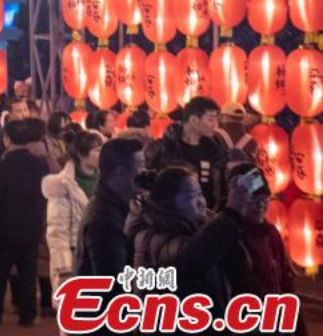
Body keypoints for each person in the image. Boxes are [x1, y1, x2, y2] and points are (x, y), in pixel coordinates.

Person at [129, 165, 254, 327]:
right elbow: (192, 256)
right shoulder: (150, 236)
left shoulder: (197, 226)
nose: (201, 202)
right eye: (191, 197)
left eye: (201, 194)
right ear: (167, 203)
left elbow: (240, 265)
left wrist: (228, 214)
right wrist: (230, 214)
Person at [0, 117, 49, 327]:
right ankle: (28, 315)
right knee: (28, 272)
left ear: (7, 139)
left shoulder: (2, 166)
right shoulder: (40, 164)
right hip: (32, 226)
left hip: (6, 228)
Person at [218, 163, 306, 335]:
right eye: (253, 198)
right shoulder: (224, 236)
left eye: (264, 198)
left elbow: (285, 284)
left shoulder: (270, 233)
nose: (260, 204)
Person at [75, 137, 145, 280]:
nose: (145, 172)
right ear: (121, 172)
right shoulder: (103, 218)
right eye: (141, 166)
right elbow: (113, 281)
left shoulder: (124, 205)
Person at [43, 128, 103, 289]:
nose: (102, 154)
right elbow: (57, 230)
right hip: (76, 253)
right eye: (97, 150)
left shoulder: (107, 180)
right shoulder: (63, 185)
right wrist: (64, 268)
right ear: (82, 154)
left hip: (101, 252)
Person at [145, 96, 229, 210]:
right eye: (211, 119)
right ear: (194, 119)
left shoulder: (215, 148)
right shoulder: (163, 147)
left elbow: (223, 184)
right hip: (173, 215)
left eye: (216, 120)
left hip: (207, 214)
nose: (215, 124)